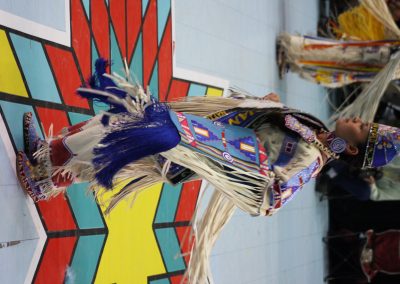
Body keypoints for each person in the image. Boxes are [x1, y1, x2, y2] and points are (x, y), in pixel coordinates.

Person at [15, 59, 400, 282]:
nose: (358, 118)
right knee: (110, 127)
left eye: (363, 128)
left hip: (182, 150)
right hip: (189, 136)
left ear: (351, 148)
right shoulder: (315, 132)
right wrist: (263, 107)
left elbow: (270, 197)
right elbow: (263, 129)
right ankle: (49, 160)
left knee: (113, 137)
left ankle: (47, 177)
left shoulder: (310, 161)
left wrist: (220, 156)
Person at [277, 0, 400, 87]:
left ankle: (292, 59)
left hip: (387, 63)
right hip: (386, 53)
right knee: (338, 55)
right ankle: (289, 48)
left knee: (337, 74)